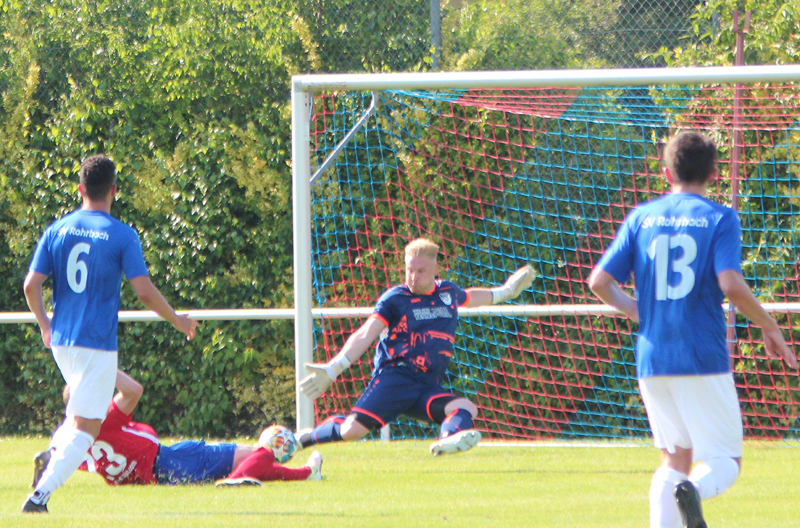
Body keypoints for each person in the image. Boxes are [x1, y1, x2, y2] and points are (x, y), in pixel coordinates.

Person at [587, 131, 797, 528]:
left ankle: (679, 503)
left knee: (674, 458)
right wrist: (769, 325)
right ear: (714, 173)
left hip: (652, 356)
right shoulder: (719, 217)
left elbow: (598, 281)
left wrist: (639, 312)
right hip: (700, 353)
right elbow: (731, 283)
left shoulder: (641, 217)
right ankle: (695, 493)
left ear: (666, 172)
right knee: (725, 461)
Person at [22, 155, 199, 513]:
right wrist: (178, 320)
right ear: (114, 190)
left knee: (79, 416)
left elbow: (30, 285)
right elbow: (145, 291)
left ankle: (53, 452)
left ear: (80, 189)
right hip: (96, 342)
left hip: (63, 341)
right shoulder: (121, 234)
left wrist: (45, 324)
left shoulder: (57, 229)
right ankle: (39, 496)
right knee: (87, 428)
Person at [298, 238, 535, 456]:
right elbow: (365, 334)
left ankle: (447, 441)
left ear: (434, 270)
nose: (413, 277)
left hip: (426, 385)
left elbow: (470, 297)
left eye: (420, 271)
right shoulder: (395, 299)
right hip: (395, 379)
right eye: (409, 270)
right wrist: (333, 369)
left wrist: (506, 291)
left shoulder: (447, 292)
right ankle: (305, 438)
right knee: (351, 431)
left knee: (465, 408)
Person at [32, 370, 322, 489]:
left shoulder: (74, 436)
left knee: (248, 457)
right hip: (170, 462)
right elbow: (134, 391)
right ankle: (305, 473)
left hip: (156, 471)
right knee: (258, 453)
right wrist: (103, 367)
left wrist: (48, 464)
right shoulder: (103, 418)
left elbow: (70, 459)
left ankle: (242, 478)